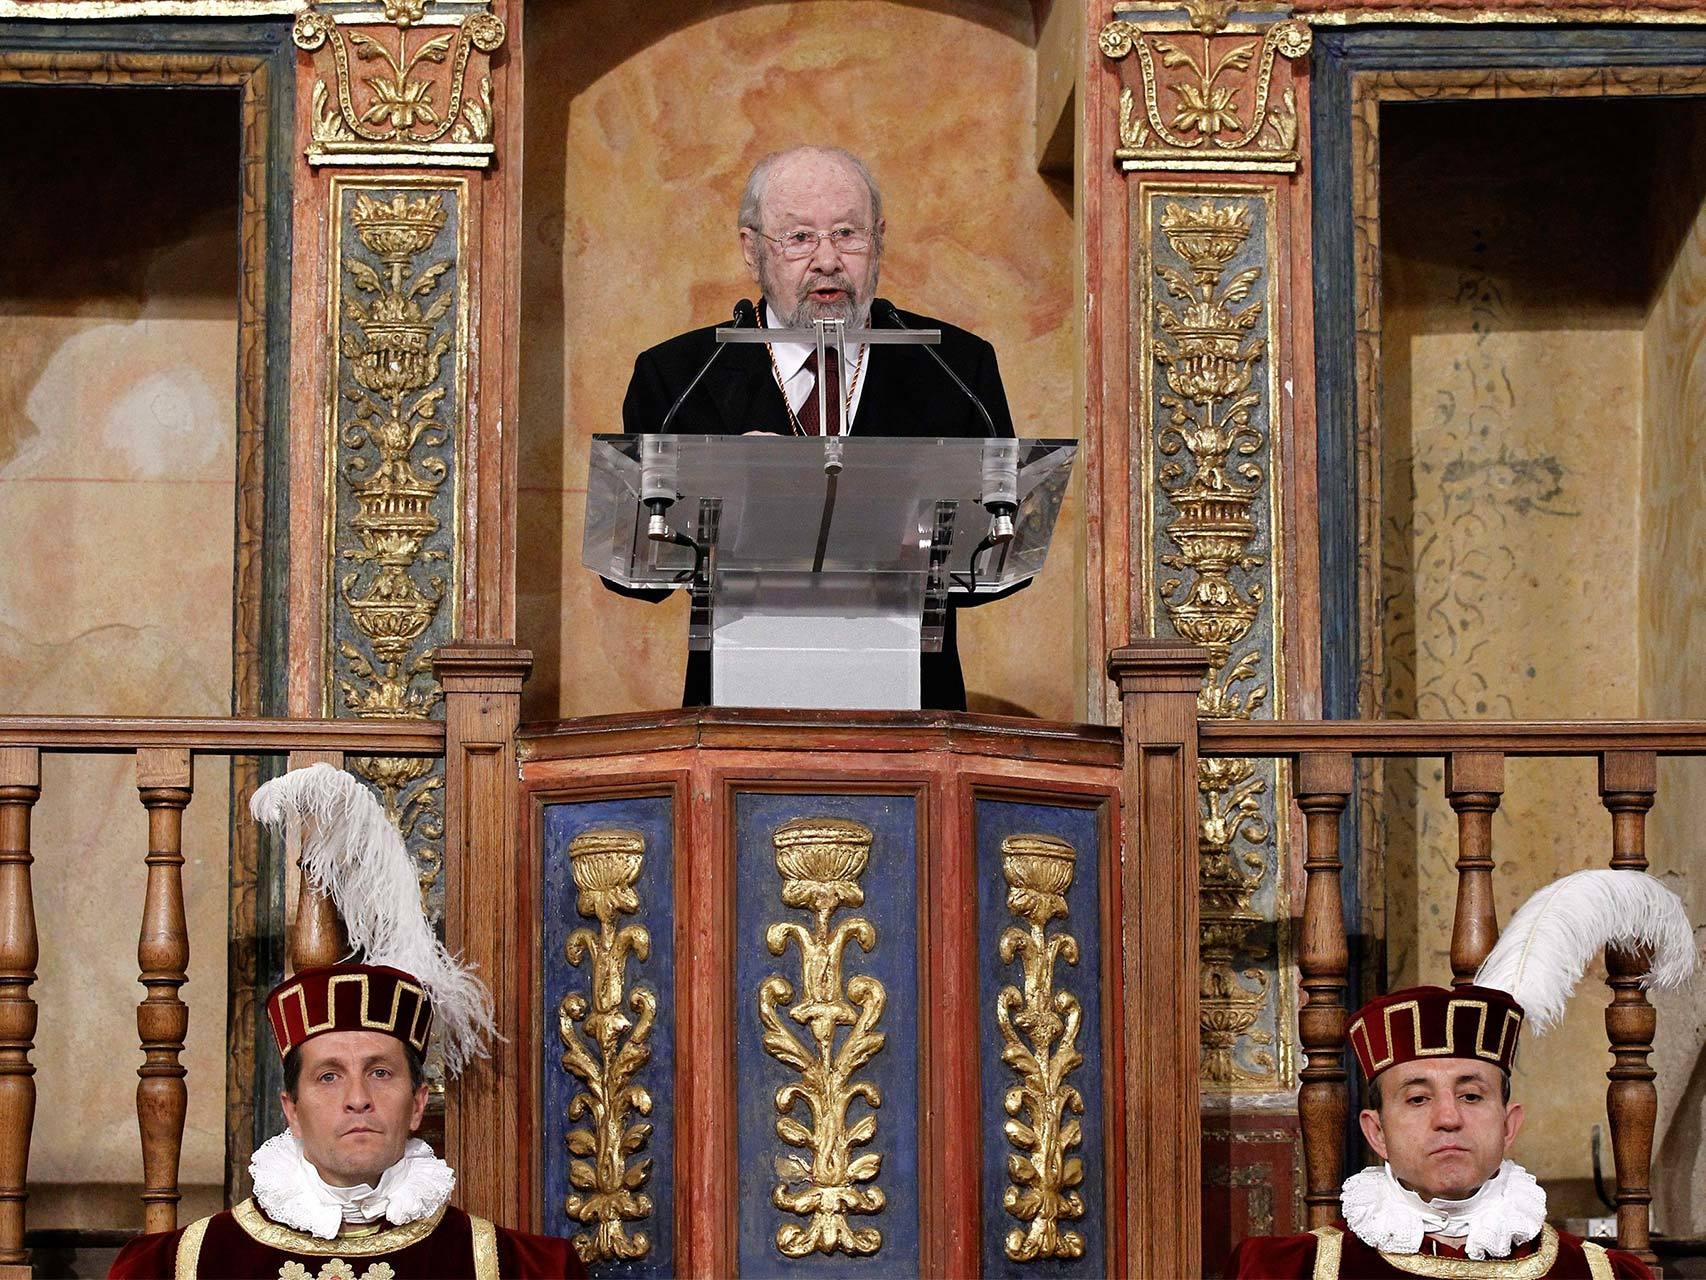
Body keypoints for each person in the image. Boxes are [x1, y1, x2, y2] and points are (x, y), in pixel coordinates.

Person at [110, 767, 585, 1279]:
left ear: (418, 1103)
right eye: (329, 1076)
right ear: (290, 1109)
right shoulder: (178, 1266)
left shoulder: (523, 1269)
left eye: (380, 1072)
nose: (357, 1097)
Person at [620, 145, 1018, 710]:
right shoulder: (681, 375)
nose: (827, 260)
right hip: (737, 710)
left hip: (917, 714)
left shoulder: (954, 366)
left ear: (878, 239)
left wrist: (927, 538)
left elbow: (1006, 553)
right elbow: (636, 571)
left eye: (847, 234)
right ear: (752, 249)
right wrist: (719, 503)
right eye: (799, 237)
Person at [1228, 870, 1697, 1280]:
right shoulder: (1282, 1271)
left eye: (1471, 1096)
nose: (1448, 1118)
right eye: (1417, 1099)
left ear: (1509, 1123)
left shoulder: (1602, 1275)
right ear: (1376, 1131)